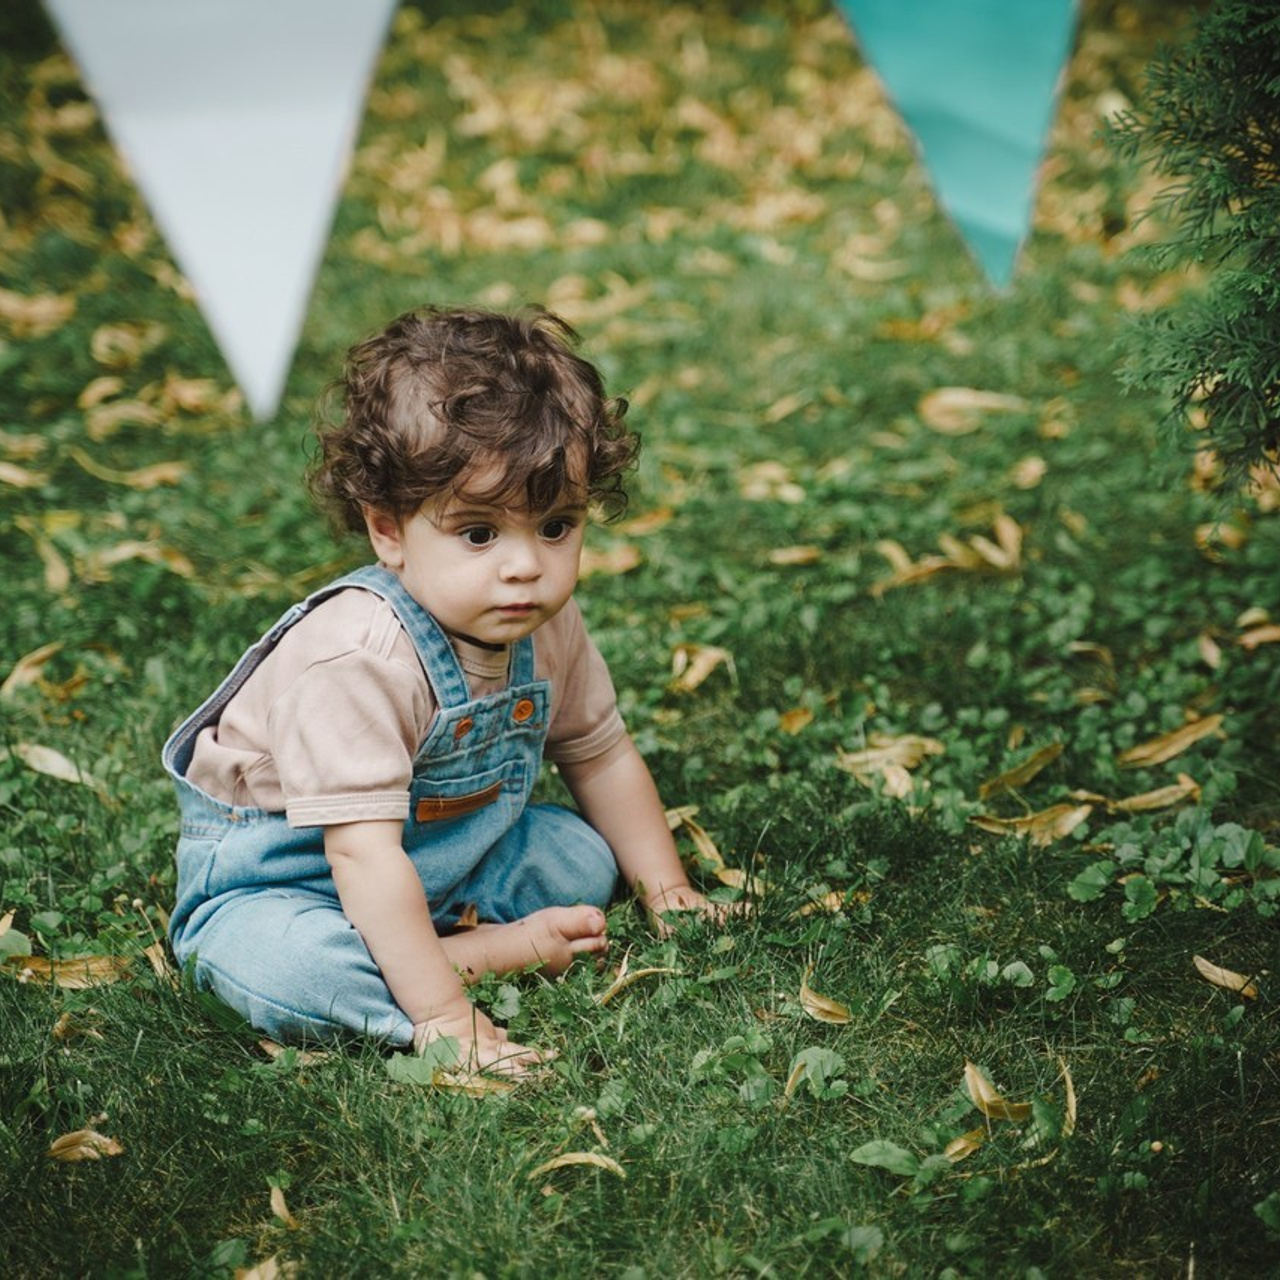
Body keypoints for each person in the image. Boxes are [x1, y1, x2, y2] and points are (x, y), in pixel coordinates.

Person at [163, 305, 723, 1075]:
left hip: (440, 861)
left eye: (556, 526)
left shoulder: (542, 624)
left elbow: (599, 753)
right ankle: (470, 959)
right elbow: (360, 857)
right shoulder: (358, 659)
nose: (524, 567)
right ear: (387, 530)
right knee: (287, 969)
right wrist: (445, 1020)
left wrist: (669, 893)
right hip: (293, 880)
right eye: (480, 534)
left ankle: (429, 943)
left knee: (583, 856)